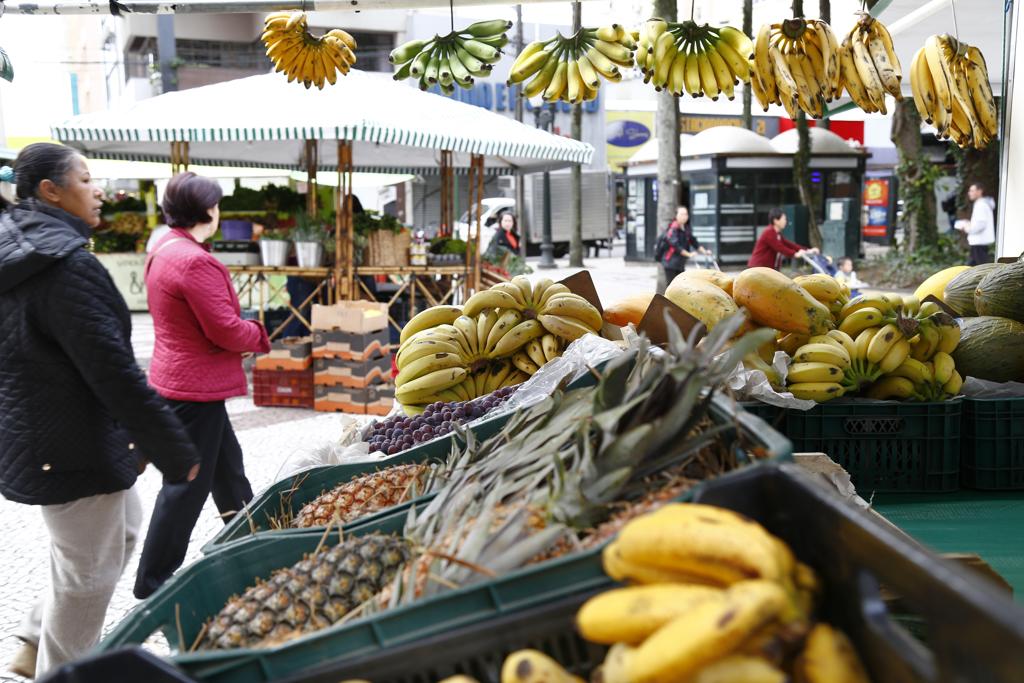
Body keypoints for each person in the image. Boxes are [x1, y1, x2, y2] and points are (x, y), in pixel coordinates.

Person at [0, 144, 200, 678]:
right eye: (86, 179)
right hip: (67, 443)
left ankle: (31, 640)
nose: (99, 191)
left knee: (122, 528)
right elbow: (111, 368)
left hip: (47, 436)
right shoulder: (63, 265)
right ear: (51, 190)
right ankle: (57, 673)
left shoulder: (21, 248)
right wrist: (173, 450)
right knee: (87, 575)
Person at [134, 172, 270, 600]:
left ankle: (251, 544)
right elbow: (225, 330)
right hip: (195, 388)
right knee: (186, 486)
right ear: (208, 211)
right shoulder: (196, 260)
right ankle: (153, 582)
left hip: (180, 380)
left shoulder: (164, 248)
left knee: (228, 472)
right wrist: (259, 334)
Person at [655, 206, 709, 289]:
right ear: (676, 215)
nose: (684, 216)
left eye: (686, 214)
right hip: (670, 263)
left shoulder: (686, 228)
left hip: (680, 263)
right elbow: (676, 245)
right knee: (672, 287)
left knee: (680, 287)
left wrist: (705, 252)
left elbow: (694, 242)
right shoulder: (673, 228)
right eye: (682, 214)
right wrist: (689, 254)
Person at [748, 208, 818, 269]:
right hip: (758, 267)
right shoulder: (769, 232)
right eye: (784, 219)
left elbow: (789, 244)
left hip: (767, 269)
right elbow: (780, 248)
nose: (785, 221)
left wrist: (807, 250)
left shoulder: (777, 233)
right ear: (776, 220)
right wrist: (794, 254)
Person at [957, 182, 996, 266]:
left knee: (981, 268)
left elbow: (980, 224)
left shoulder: (981, 205)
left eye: (972, 191)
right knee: (973, 266)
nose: (969, 193)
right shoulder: (982, 204)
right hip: (979, 242)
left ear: (979, 191)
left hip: (979, 242)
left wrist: (967, 228)